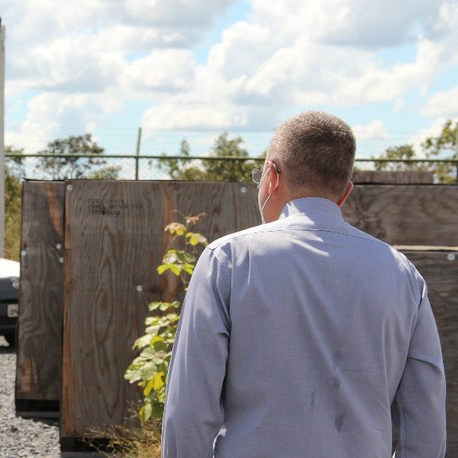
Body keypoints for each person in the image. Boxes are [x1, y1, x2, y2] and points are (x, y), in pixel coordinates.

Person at [161, 111, 446, 457]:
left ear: (272, 175)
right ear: (344, 193)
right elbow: (426, 428)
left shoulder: (228, 260)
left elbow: (188, 413)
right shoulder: (403, 275)